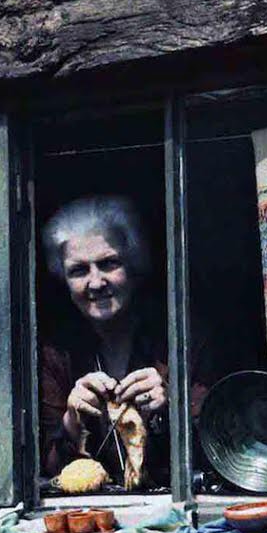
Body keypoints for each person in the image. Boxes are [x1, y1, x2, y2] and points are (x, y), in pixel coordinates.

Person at [40, 195, 171, 488]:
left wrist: (170, 409)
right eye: (78, 270)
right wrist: (71, 423)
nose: (96, 282)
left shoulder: (177, 339)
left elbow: (224, 444)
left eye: (109, 263)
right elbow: (41, 471)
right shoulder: (55, 354)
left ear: (134, 264)